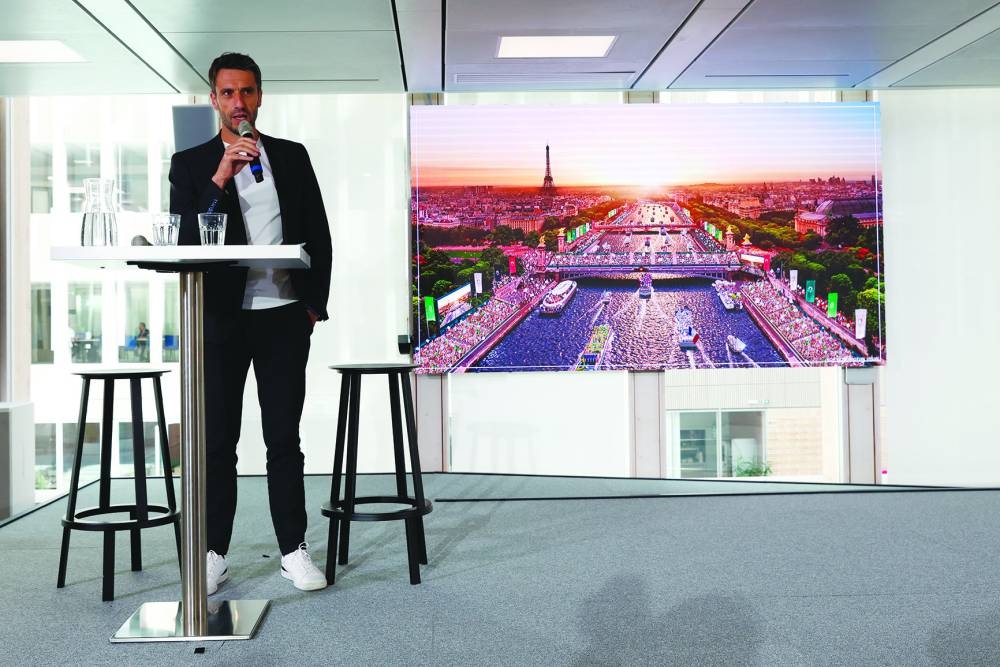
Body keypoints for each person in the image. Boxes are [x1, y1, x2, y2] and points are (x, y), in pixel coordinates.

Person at [169, 52, 332, 593]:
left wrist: (312, 307)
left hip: (284, 318)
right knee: (219, 442)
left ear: (260, 97)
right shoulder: (190, 164)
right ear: (214, 99)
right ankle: (214, 551)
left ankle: (293, 550)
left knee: (283, 439)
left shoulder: (291, 156)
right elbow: (187, 242)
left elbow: (319, 233)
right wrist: (221, 175)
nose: (239, 102)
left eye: (248, 92)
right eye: (228, 93)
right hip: (221, 320)